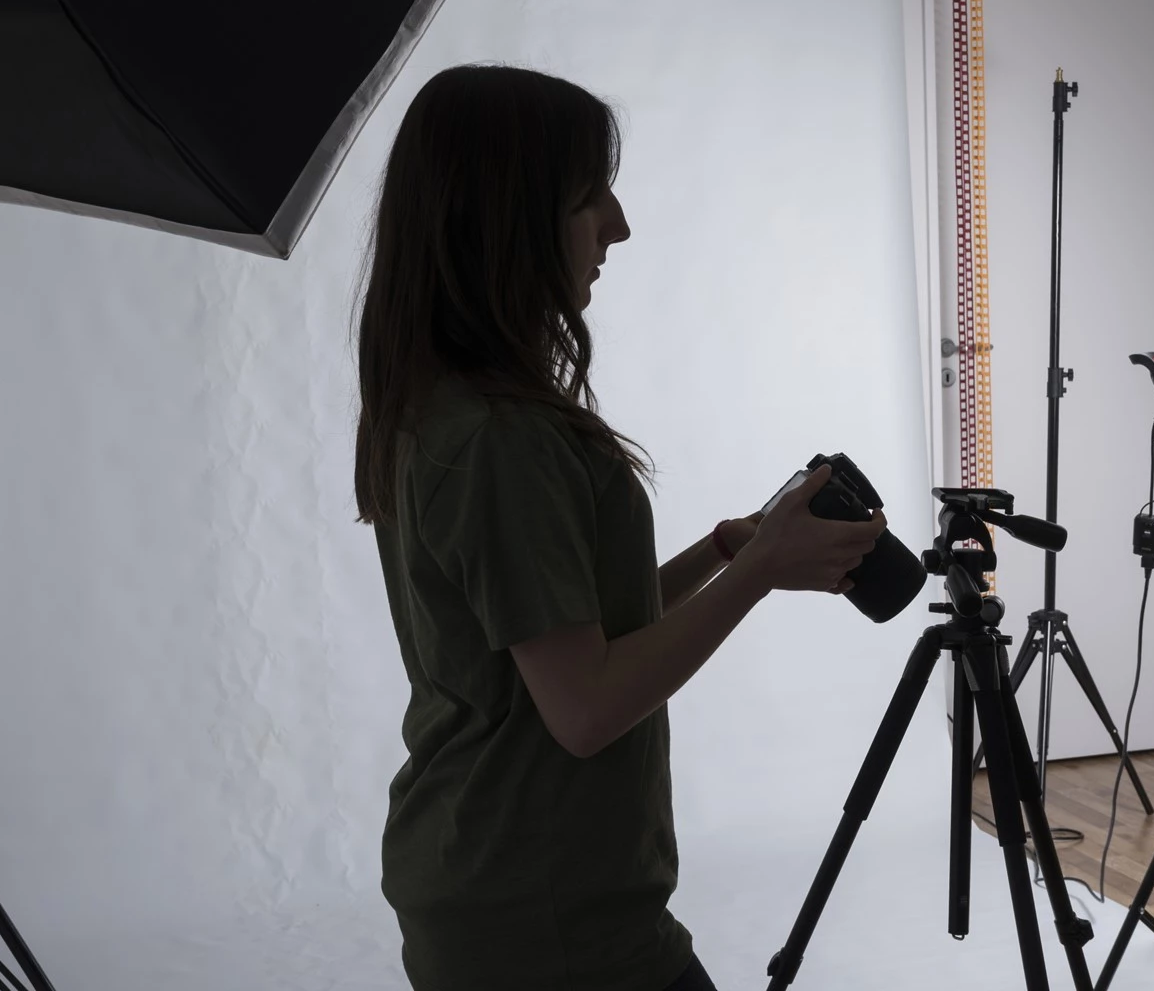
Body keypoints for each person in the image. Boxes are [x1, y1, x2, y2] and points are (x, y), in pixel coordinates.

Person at [354, 64, 887, 991]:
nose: (620, 223)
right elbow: (587, 708)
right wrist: (758, 571)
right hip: (548, 921)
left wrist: (722, 552)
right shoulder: (498, 437)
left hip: (508, 889)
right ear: (505, 220)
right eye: (588, 196)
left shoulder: (444, 406)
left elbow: (554, 637)